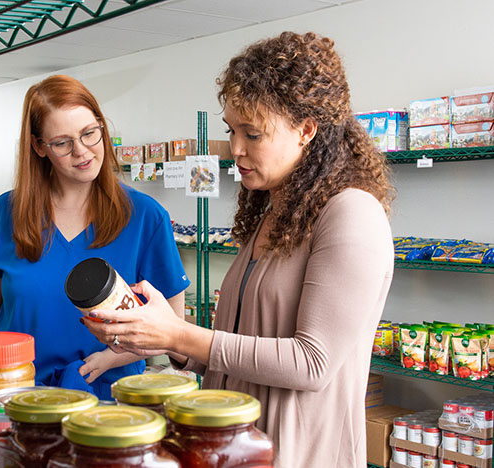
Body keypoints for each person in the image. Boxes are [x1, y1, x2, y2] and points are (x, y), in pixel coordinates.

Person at [83, 32, 394, 467]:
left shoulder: (351, 213)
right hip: (233, 449)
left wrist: (180, 333)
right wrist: (158, 337)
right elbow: (239, 348)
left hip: (299, 455)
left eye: (253, 134)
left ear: (306, 129)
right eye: (232, 131)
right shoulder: (274, 212)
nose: (237, 150)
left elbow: (312, 362)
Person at [0, 75, 190, 399]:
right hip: (19, 397)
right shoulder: (6, 213)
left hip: (110, 403)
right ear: (39, 147)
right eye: (62, 143)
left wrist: (110, 358)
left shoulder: (145, 217)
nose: (82, 152)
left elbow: (172, 325)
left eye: (89, 134)